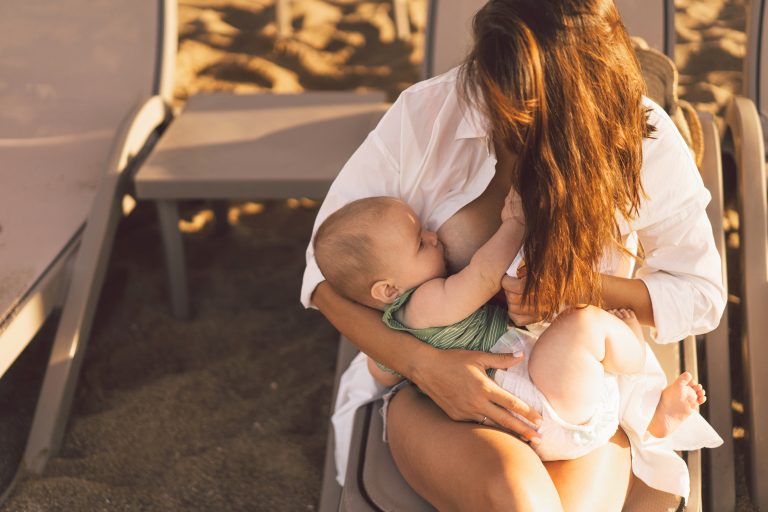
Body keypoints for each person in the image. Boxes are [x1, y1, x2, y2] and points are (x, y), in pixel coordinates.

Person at [301, 0, 726, 509]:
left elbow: (700, 294)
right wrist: (423, 365)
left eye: (525, 112)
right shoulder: (426, 115)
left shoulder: (639, 138)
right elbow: (322, 280)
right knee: (517, 499)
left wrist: (579, 287)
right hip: (435, 387)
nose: (497, 117)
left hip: (575, 389)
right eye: (489, 89)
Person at [312, 195, 720, 469]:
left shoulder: (392, 332)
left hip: (518, 422)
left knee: (575, 356)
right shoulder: (424, 303)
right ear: (388, 290)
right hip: (536, 405)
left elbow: (383, 373)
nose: (434, 237)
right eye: (421, 243)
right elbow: (484, 275)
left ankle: (651, 419)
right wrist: (515, 223)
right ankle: (634, 354)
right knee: (583, 325)